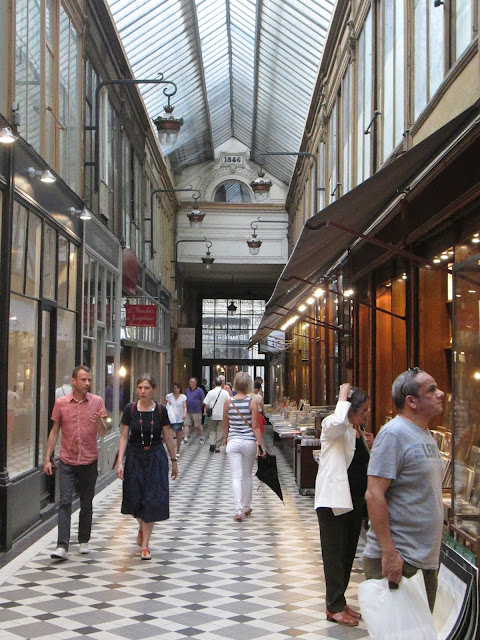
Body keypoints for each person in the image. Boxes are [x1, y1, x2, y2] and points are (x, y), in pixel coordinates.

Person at [364, 367, 445, 612]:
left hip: (422, 559)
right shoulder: (394, 434)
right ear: (411, 401)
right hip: (401, 559)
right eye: (431, 390)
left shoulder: (423, 433)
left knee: (421, 628)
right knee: (402, 629)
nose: (441, 393)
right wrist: (389, 554)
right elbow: (374, 494)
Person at [314, 383, 373, 626]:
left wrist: (369, 442)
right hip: (334, 501)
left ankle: (340, 600)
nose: (367, 415)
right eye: (364, 410)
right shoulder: (332, 425)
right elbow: (339, 422)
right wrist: (341, 396)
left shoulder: (357, 431)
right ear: (350, 409)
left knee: (348, 553)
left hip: (354, 501)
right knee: (334, 554)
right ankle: (333, 606)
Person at [44, 366, 107, 560]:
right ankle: (62, 545)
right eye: (83, 380)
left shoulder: (97, 402)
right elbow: (55, 431)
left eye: (89, 380)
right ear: (73, 381)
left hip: (89, 460)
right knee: (64, 502)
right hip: (67, 461)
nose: (87, 383)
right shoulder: (61, 403)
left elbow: (103, 432)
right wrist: (47, 458)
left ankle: (83, 540)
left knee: (86, 502)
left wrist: (99, 422)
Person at [117, 374, 178, 560]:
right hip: (134, 457)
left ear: (154, 390)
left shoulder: (160, 410)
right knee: (135, 498)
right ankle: (141, 526)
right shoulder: (130, 409)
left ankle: (145, 546)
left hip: (155, 458)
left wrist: (174, 460)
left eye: (146, 388)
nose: (142, 391)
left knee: (152, 499)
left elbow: (168, 436)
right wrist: (120, 462)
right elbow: (124, 436)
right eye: (140, 388)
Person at [223, 372, 266, 522]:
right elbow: (255, 426)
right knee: (247, 475)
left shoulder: (228, 402)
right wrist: (261, 445)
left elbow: (225, 425)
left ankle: (238, 510)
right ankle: (247, 506)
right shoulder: (251, 402)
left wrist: (225, 439)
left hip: (233, 442)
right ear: (248, 385)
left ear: (235, 384)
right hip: (248, 442)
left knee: (236, 476)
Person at [204, 377, 230, 452]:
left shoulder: (210, 392)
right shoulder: (225, 393)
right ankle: (217, 447)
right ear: (221, 383)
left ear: (214, 383)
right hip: (222, 415)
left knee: (211, 429)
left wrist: (207, 410)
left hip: (212, 414)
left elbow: (206, 403)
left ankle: (212, 443)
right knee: (220, 430)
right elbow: (229, 403)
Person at [166, 382, 187, 458]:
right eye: (175, 388)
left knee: (178, 435)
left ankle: (178, 450)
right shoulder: (169, 396)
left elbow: (184, 406)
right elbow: (166, 406)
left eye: (177, 388)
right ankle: (171, 451)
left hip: (179, 418)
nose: (176, 390)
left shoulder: (183, 397)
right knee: (170, 435)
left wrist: (184, 414)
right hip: (171, 418)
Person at [184, 377, 205, 444]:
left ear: (195, 383)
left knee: (198, 425)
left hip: (196, 410)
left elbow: (203, 399)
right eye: (190, 381)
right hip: (188, 410)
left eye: (192, 382)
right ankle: (185, 438)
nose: (190, 383)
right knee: (186, 424)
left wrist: (200, 406)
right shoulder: (187, 390)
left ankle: (202, 437)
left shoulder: (199, 390)